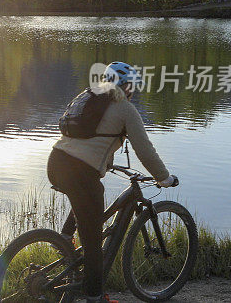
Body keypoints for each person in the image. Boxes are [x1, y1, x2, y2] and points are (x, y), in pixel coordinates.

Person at [48, 62, 178, 303]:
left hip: (56, 162)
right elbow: (145, 150)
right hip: (79, 172)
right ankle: (94, 297)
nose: (133, 90)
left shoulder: (90, 96)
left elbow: (90, 140)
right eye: (132, 86)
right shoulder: (125, 109)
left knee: (86, 202)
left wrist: (106, 163)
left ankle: (64, 240)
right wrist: (164, 177)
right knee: (94, 243)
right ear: (127, 86)